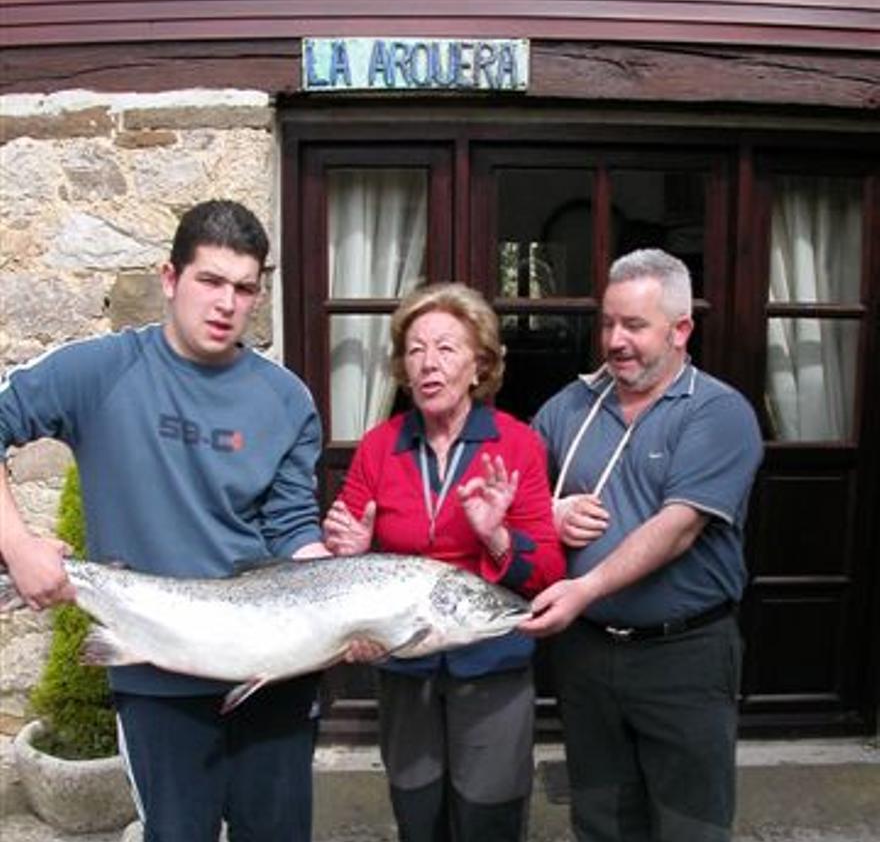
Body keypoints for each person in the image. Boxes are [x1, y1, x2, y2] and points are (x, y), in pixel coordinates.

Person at [0, 200, 328, 842]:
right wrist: (16, 544)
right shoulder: (99, 371)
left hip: (276, 673)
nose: (226, 304)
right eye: (210, 281)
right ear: (170, 278)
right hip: (155, 672)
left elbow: (293, 528)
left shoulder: (287, 399)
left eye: (244, 289)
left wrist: (346, 607)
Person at [521, 249, 764, 842]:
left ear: (681, 330)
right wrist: (548, 514)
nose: (615, 340)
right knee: (602, 818)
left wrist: (585, 587)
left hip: (684, 656)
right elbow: (515, 493)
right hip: (587, 655)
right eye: (608, 323)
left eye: (634, 325)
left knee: (689, 826)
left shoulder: (717, 411)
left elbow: (680, 525)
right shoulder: (570, 406)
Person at [322, 282, 565, 842]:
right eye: (415, 349)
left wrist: (498, 536)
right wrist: (352, 556)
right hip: (405, 668)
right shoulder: (378, 447)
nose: (429, 363)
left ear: (479, 364)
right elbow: (341, 565)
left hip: (492, 666)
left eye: (447, 349)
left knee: (488, 816)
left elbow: (548, 571)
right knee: (417, 813)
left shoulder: (517, 445)